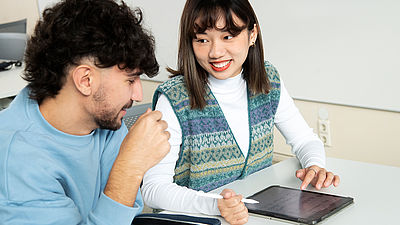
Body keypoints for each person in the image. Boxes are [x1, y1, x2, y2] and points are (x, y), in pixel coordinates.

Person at [141, 0, 340, 224]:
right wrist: (215, 204)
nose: (215, 52)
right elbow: (154, 189)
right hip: (197, 220)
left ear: (252, 34)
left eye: (228, 36)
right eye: (202, 40)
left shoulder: (267, 80)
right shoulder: (175, 99)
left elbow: (304, 139)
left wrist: (315, 165)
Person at [0, 0, 170, 224]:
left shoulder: (104, 118)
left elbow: (129, 212)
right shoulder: (18, 163)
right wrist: (130, 166)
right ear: (85, 80)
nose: (138, 94)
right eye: (130, 80)